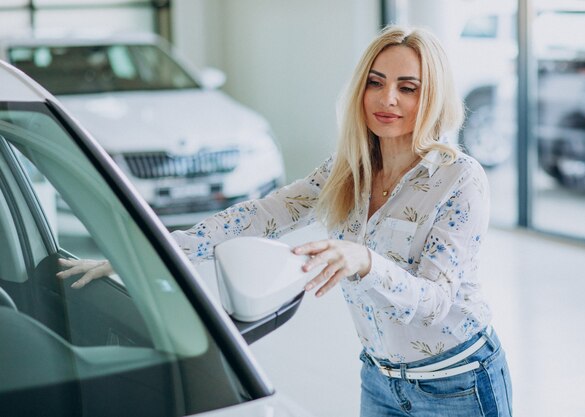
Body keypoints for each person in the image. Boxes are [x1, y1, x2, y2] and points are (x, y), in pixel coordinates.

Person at [58, 25, 512, 417]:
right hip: (380, 379)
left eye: (408, 87)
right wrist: (142, 254)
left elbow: (434, 301)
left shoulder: (459, 178)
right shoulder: (348, 169)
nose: (387, 98)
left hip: (459, 383)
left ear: (432, 96)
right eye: (376, 82)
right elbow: (256, 217)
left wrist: (365, 259)